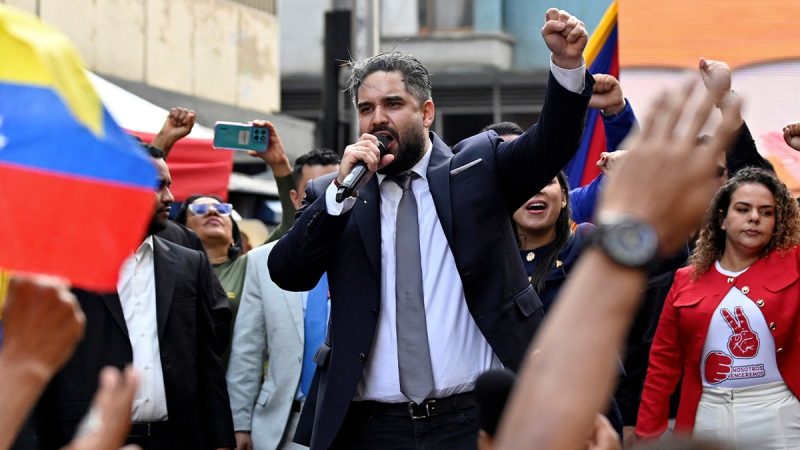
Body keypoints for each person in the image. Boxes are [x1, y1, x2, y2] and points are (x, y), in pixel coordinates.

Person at [268, 8, 594, 449]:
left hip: (470, 421)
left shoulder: (476, 170)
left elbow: (550, 143)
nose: (377, 119)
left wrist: (568, 66)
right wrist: (338, 198)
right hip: (371, 427)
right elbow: (287, 272)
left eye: (392, 104)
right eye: (366, 109)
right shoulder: (336, 194)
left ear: (426, 113)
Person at [490, 78, 743, 450]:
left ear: (566, 197)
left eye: (547, 181)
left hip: (596, 415)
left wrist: (616, 114)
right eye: (522, 181)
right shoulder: (482, 255)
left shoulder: (590, 240)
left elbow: (631, 206)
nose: (536, 190)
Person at [33, 146, 235, 450]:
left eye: (169, 185)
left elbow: (208, 363)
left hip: (176, 439)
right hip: (90, 439)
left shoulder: (189, 264)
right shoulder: (65, 264)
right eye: (157, 186)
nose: (169, 197)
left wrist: (221, 441)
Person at [635, 167, 800, 447]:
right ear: (722, 219)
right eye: (743, 209)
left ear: (777, 223)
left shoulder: (793, 262)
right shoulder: (686, 279)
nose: (754, 218)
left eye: (767, 212)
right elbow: (662, 365)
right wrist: (647, 437)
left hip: (778, 410)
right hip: (706, 413)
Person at [226, 149, 341, 450]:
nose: (326, 199)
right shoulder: (262, 261)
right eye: (313, 192)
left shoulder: (367, 255)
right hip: (281, 425)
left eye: (335, 188)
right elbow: (248, 349)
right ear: (295, 198)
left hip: (348, 420)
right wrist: (239, 424)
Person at [482, 72, 637, 224]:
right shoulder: (469, 224)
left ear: (563, 198)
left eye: (520, 160)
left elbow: (623, 174)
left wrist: (616, 111)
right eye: (507, 165)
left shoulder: (561, 208)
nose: (537, 190)